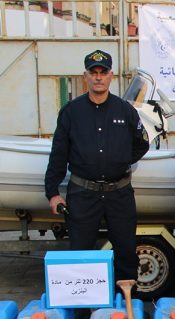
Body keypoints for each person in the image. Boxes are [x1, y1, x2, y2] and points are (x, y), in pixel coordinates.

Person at [44, 49, 149, 283]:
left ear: (111, 75)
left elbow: (142, 144)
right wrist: (52, 193)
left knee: (125, 252)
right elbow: (58, 154)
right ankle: (83, 306)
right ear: (86, 76)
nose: (98, 77)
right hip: (83, 195)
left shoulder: (126, 111)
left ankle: (126, 306)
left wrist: (119, 160)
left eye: (103, 72)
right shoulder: (71, 112)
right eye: (94, 72)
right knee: (82, 253)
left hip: (119, 194)